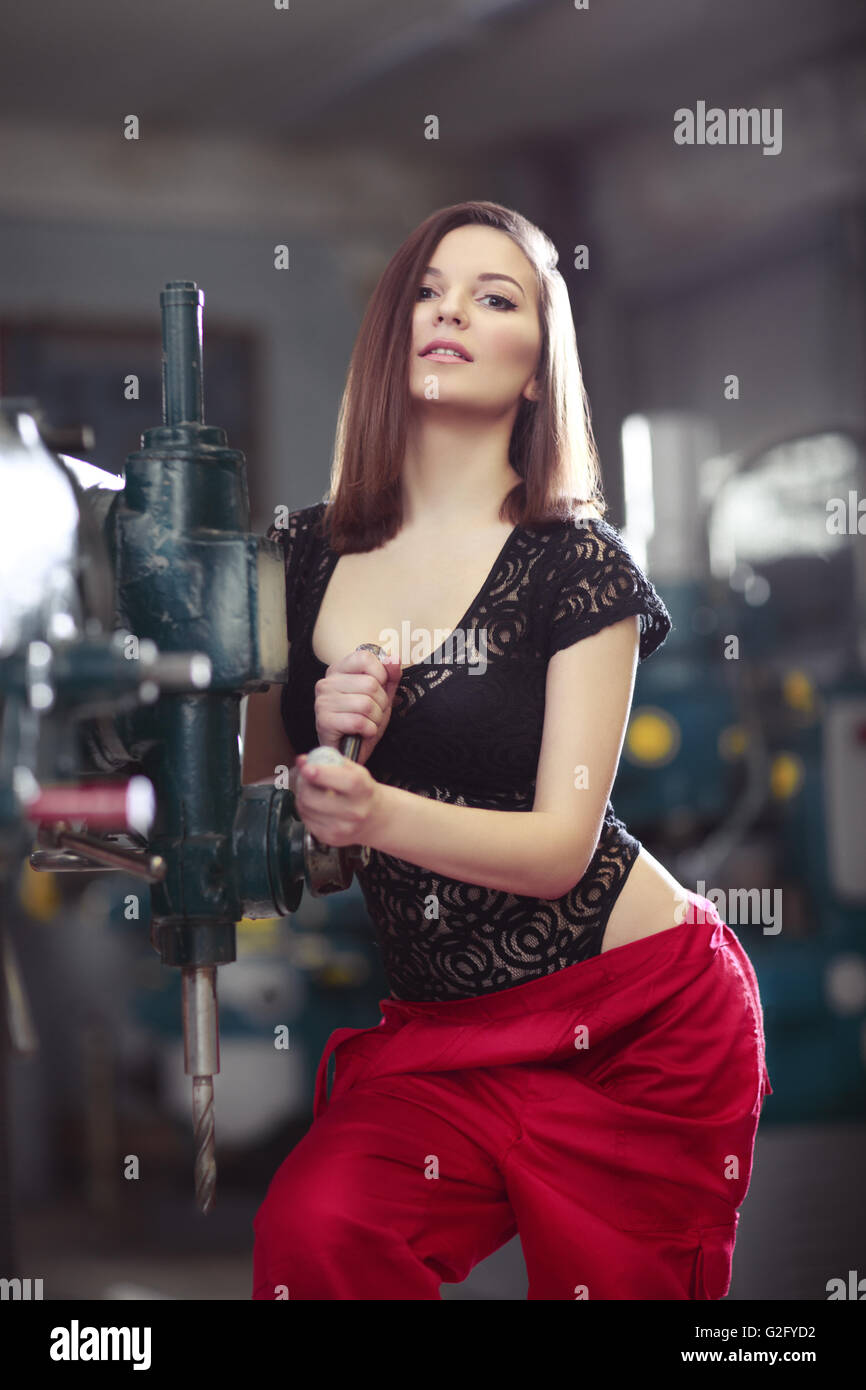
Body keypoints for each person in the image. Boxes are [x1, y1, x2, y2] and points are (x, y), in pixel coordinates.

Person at [246, 200, 772, 1301]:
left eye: (494, 298)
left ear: (537, 370)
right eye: (429, 292)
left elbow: (555, 850)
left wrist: (376, 810)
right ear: (395, 333)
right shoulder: (296, 555)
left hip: (640, 1020)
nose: (450, 312)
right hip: (444, 1039)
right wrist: (317, 751)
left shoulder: (577, 565)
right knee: (319, 1230)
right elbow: (261, 808)